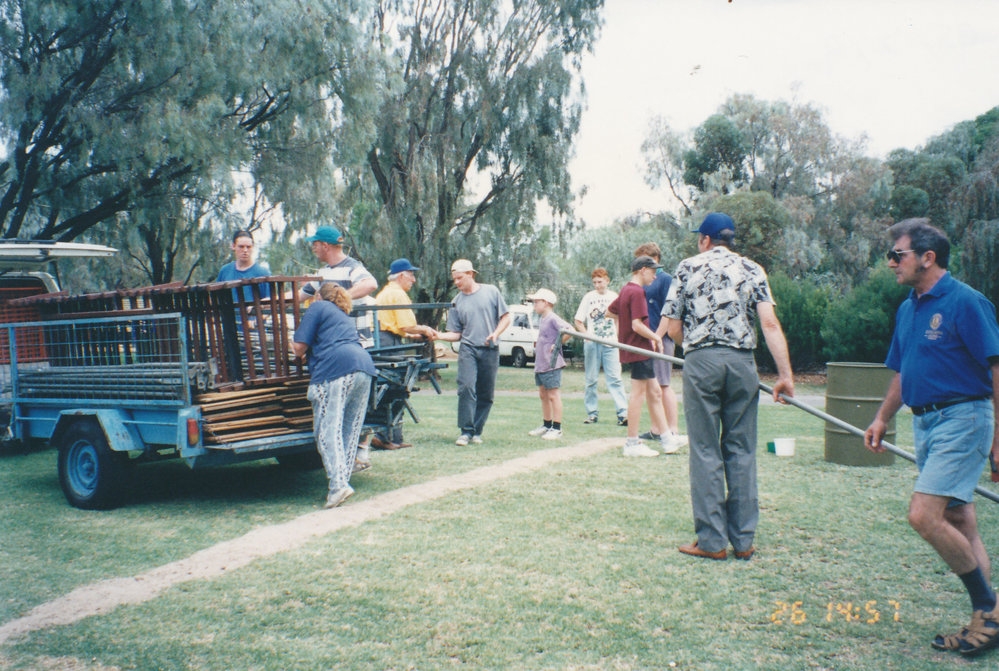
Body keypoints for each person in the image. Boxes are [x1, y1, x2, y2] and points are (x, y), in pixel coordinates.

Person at [864, 218, 999, 657]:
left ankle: (989, 609)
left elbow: (996, 368)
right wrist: (882, 418)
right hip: (926, 423)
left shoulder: (966, 301)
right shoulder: (908, 308)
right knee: (959, 521)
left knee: (923, 515)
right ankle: (983, 621)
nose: (890, 263)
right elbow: (904, 372)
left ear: (927, 257)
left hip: (964, 418)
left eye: (897, 254)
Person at [661, 212, 794, 561]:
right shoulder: (752, 269)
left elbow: (672, 328)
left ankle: (712, 542)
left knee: (705, 450)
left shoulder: (687, 268)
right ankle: (743, 540)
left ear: (705, 240)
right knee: (742, 450)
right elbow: (769, 323)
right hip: (742, 364)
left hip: (702, 362)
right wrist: (785, 374)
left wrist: (694, 345)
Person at [293, 283, 378, 509]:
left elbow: (298, 348)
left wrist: (289, 344)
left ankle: (338, 486)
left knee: (327, 430)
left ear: (318, 296)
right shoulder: (342, 314)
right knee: (349, 429)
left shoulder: (317, 307)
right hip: (364, 367)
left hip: (335, 368)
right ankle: (343, 482)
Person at [437, 259, 511, 446]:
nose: (456, 282)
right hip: (468, 349)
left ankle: (476, 431)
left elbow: (506, 317)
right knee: (466, 387)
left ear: (470, 274)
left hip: (490, 349)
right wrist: (438, 335)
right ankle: (465, 431)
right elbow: (456, 334)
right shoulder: (456, 302)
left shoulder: (491, 292)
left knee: (486, 393)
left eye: (459, 278)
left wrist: (495, 333)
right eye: (454, 279)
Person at [608, 256, 676, 457]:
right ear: (643, 270)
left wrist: (623, 331)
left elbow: (610, 312)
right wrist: (656, 337)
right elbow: (637, 325)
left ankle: (667, 439)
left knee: (655, 393)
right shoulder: (637, 292)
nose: (655, 276)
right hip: (639, 350)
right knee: (638, 395)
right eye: (653, 272)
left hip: (637, 349)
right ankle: (631, 443)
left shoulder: (626, 289)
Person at [370, 258, 438, 450]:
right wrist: (425, 329)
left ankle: (393, 437)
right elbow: (406, 325)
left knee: (389, 387)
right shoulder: (398, 294)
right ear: (401, 276)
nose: (413, 280)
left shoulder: (385, 293)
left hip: (383, 339)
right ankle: (384, 437)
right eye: (411, 275)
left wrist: (411, 335)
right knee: (396, 387)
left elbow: (394, 325)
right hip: (389, 343)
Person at [634, 242, 687, 452]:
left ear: (653, 258)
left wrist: (657, 337)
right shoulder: (645, 281)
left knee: (663, 384)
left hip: (661, 340)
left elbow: (669, 312)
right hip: (647, 339)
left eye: (643, 258)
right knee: (652, 386)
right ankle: (657, 428)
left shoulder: (665, 279)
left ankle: (672, 429)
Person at [299, 226, 378, 339]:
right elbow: (301, 294)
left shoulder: (353, 267)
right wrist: (274, 300)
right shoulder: (323, 272)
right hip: (334, 339)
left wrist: (338, 297)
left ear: (325, 246)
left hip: (355, 341)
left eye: (315, 245)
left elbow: (370, 284)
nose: (313, 249)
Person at [573, 268, 629, 426]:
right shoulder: (589, 297)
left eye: (600, 282)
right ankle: (592, 413)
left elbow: (619, 318)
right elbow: (578, 321)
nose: (597, 285)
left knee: (615, 378)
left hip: (610, 343)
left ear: (607, 280)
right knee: (591, 379)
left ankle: (623, 413)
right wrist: (586, 335)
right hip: (592, 344)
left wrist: (617, 337)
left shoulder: (614, 297)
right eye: (595, 282)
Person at [525, 289, 571, 440]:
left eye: (536, 302)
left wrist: (557, 344)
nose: (534, 305)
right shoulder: (543, 319)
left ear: (546, 303)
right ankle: (546, 425)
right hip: (541, 363)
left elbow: (570, 330)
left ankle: (557, 428)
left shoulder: (552, 318)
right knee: (543, 394)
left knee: (553, 395)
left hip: (551, 363)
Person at [216, 230, 271, 314]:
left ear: (253, 247)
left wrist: (257, 318)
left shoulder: (262, 273)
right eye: (241, 247)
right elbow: (218, 300)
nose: (245, 250)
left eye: (248, 247)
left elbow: (270, 304)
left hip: (254, 321)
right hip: (229, 321)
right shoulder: (225, 271)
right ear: (233, 246)